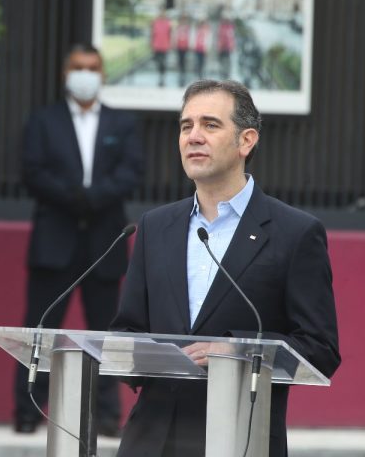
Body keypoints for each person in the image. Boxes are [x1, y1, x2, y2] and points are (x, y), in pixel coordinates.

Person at [110, 79, 340, 456]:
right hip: (152, 441)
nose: (193, 136)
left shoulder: (295, 233)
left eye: (210, 125)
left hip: (241, 438)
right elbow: (127, 330)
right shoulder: (154, 226)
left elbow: (320, 349)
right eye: (186, 126)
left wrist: (235, 350)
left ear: (246, 141)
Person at [14, 43, 144, 437]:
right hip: (55, 241)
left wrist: (94, 198)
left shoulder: (122, 124)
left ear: (102, 74)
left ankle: (107, 417)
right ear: (65, 73)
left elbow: (131, 172)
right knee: (39, 333)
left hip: (104, 243)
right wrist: (76, 198)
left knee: (107, 334)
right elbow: (33, 172)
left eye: (92, 67)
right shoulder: (43, 121)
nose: (85, 73)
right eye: (77, 67)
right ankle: (26, 412)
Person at [151, 9, 172, 87]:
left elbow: (170, 34)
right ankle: (160, 75)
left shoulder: (168, 23)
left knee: (163, 62)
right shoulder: (155, 22)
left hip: (165, 46)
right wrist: (152, 44)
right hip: (157, 45)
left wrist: (170, 44)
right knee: (158, 62)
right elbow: (152, 34)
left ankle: (162, 78)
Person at [174, 14, 192, 86]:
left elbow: (191, 36)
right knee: (180, 61)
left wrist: (190, 45)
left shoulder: (188, 28)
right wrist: (175, 44)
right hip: (179, 46)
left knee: (185, 61)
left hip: (186, 47)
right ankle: (180, 74)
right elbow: (175, 36)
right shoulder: (178, 27)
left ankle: (184, 74)